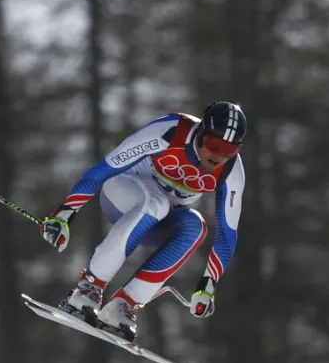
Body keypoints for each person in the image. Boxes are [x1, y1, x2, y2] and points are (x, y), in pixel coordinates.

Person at [40, 101, 246, 343]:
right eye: (215, 145)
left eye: (229, 151)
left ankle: (123, 305)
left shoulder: (231, 172)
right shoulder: (171, 131)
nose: (218, 156)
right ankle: (89, 288)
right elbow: (105, 168)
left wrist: (207, 287)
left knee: (196, 226)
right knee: (156, 203)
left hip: (155, 223)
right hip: (121, 194)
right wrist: (65, 213)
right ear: (202, 133)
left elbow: (227, 235)